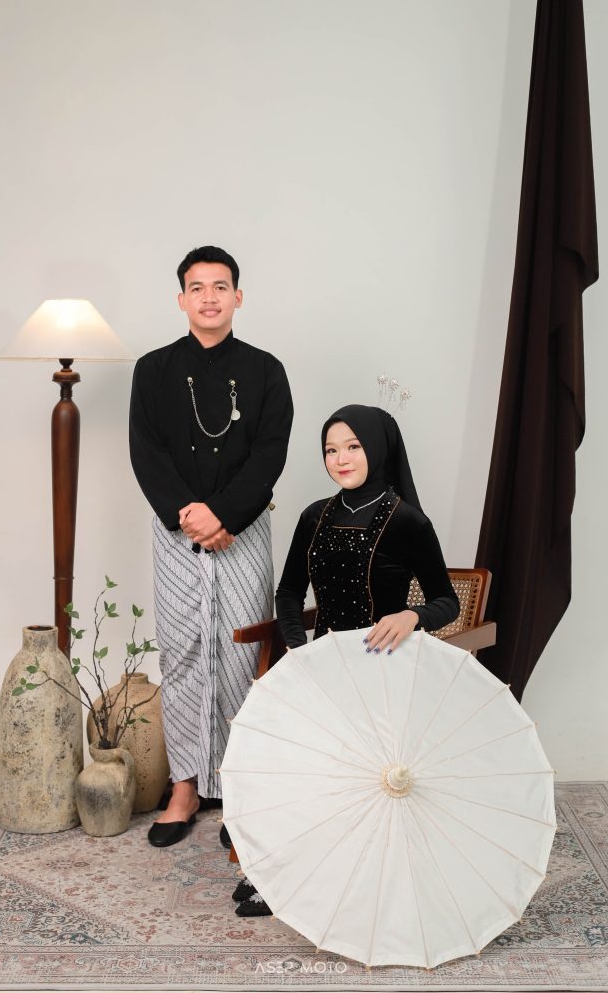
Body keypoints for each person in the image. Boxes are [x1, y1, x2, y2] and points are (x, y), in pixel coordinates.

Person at [233, 403, 459, 916]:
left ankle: (328, 880)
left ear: (377, 448)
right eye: (331, 450)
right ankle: (279, 871)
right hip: (322, 666)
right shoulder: (314, 516)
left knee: (344, 773)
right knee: (288, 761)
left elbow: (446, 600)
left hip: (384, 673)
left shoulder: (408, 521)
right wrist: (299, 648)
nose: (340, 459)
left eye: (353, 447)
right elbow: (289, 593)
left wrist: (412, 616)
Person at [129, 245, 293, 848]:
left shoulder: (266, 370)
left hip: (243, 529)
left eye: (220, 286)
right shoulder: (152, 369)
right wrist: (190, 514)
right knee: (181, 652)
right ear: (181, 299)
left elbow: (270, 452)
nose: (209, 297)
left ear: (237, 297)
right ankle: (186, 787)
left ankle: (240, 790)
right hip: (176, 531)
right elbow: (145, 451)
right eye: (196, 287)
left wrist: (224, 514)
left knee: (244, 654)